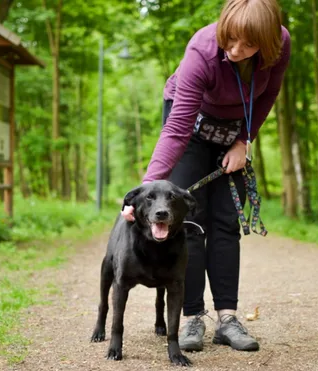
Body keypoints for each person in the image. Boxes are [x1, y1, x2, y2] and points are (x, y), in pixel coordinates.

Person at [122, 0, 290, 352]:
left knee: (227, 221)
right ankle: (192, 318)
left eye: (247, 44)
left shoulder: (281, 45)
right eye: (230, 39)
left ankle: (227, 319)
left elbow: (268, 95)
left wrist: (244, 141)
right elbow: (176, 129)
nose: (235, 50)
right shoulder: (202, 50)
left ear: (268, 40)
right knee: (191, 222)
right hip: (191, 125)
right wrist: (147, 190)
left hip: (234, 129)